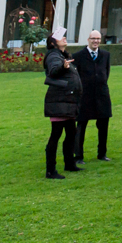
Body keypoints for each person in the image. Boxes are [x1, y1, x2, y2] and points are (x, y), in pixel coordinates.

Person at [43, 27, 82, 179]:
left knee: (71, 133)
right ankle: (50, 170)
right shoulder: (54, 56)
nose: (64, 39)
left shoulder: (61, 55)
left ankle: (69, 163)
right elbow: (53, 71)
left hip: (67, 101)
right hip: (59, 102)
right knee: (56, 134)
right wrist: (62, 66)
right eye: (61, 37)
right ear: (53, 43)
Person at [74, 30, 112, 163]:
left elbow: (106, 73)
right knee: (81, 125)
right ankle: (78, 156)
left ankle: (102, 153)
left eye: (98, 39)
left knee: (103, 125)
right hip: (85, 96)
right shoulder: (78, 56)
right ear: (88, 39)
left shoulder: (105, 55)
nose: (96, 41)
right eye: (93, 38)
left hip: (102, 95)